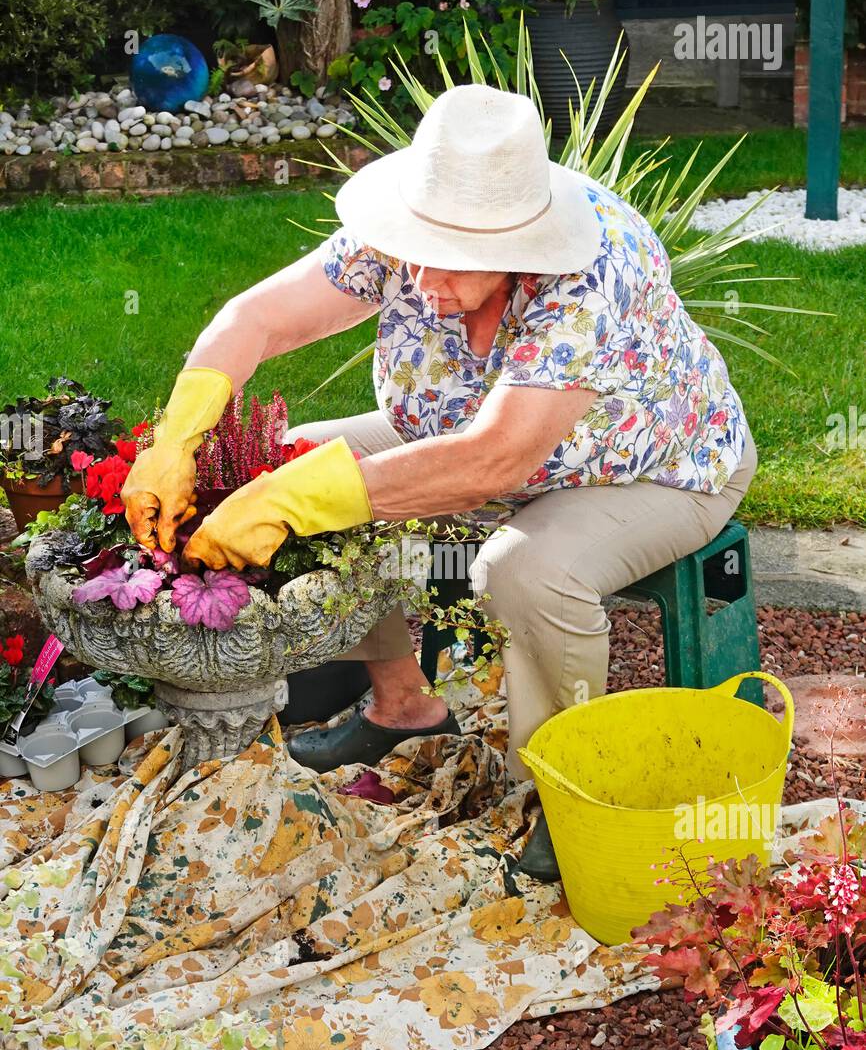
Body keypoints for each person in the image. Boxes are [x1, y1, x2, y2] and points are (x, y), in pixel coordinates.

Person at [122, 83, 756, 879]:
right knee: (284, 460)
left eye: (448, 260)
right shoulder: (410, 235)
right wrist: (177, 438)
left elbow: (495, 460)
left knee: (521, 569)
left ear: (521, 242)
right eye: (412, 247)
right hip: (466, 438)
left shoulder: (596, 270)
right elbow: (258, 317)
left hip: (655, 470)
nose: (418, 277)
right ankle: (402, 704)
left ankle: (570, 791)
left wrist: (291, 506)